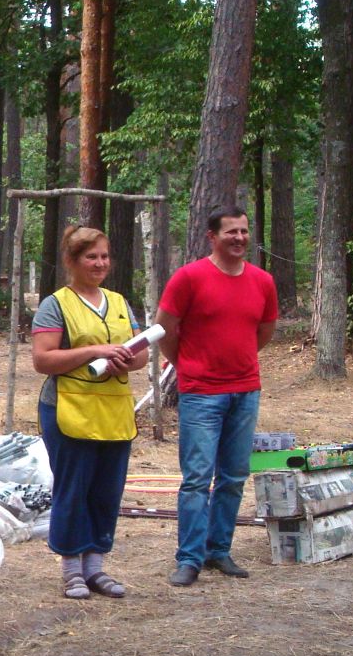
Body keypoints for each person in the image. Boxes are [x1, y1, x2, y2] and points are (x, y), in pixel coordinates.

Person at [157, 208, 278, 587]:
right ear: (212, 236)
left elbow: (264, 329)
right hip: (201, 394)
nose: (239, 238)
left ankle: (218, 550)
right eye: (231, 232)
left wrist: (239, 362)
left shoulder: (262, 281)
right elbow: (165, 328)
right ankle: (189, 558)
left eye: (244, 231)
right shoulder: (188, 278)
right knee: (197, 479)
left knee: (234, 476)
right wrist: (187, 365)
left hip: (245, 392)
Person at [31, 227, 148, 600]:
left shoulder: (118, 302)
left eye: (104, 256)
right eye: (91, 257)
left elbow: (141, 353)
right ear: (72, 261)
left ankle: (95, 567)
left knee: (106, 490)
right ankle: (71, 570)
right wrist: (96, 351)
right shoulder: (56, 304)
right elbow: (43, 359)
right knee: (74, 489)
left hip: (113, 410)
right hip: (69, 409)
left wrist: (126, 360)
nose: (100, 264)